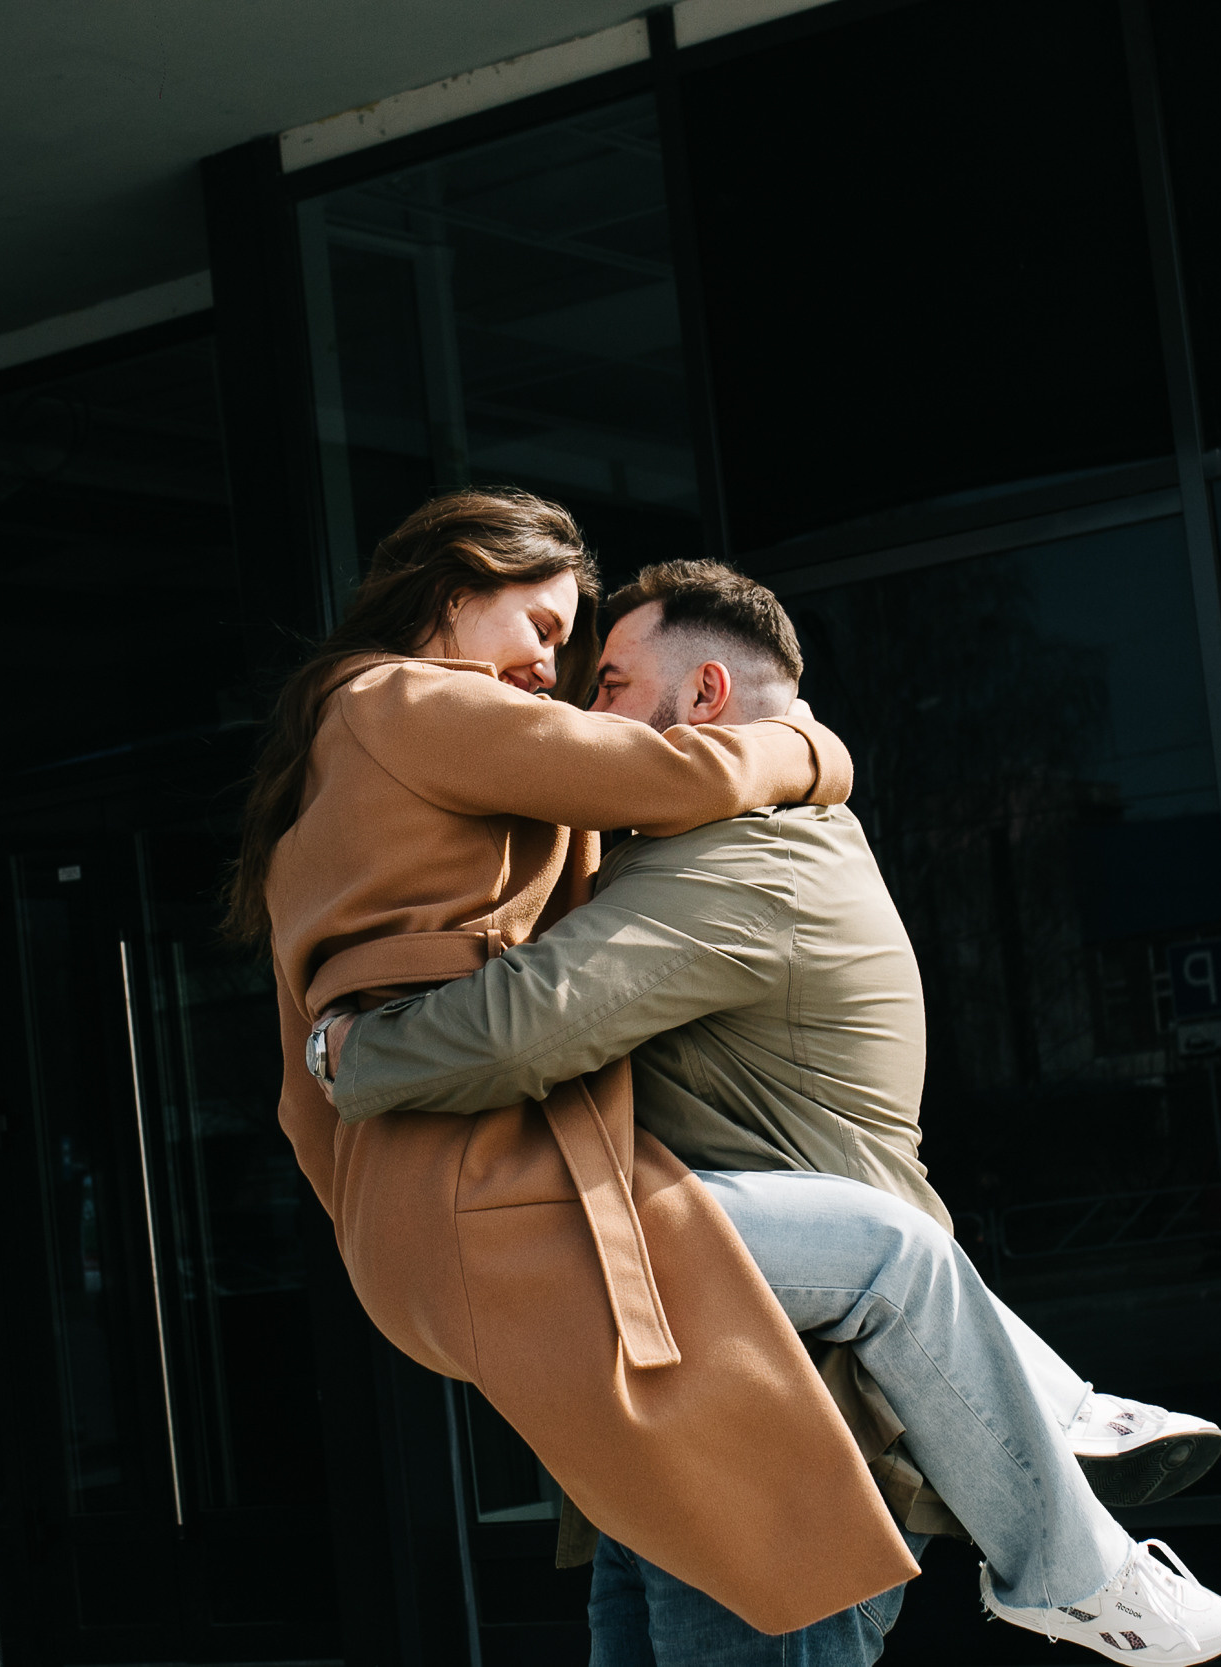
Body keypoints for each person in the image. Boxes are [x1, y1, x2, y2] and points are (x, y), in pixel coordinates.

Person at [317, 560, 1221, 1666]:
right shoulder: (724, 834)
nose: (578, 707)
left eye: (606, 680)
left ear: (704, 697)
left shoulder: (739, 864)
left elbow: (524, 1024)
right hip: (686, 1417)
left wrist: (354, 1057)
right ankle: (1059, 1414)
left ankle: (1073, 1547)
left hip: (775, 1431)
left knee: (889, 1253)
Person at [240, 489, 919, 1635]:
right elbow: (671, 778)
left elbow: (304, 1092)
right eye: (545, 630)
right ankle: (1067, 1532)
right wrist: (812, 742)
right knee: (898, 1257)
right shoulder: (411, 696)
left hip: (411, 1198)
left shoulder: (341, 749)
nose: (552, 671)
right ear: (456, 594)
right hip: (530, 1215)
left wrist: (366, 1155)